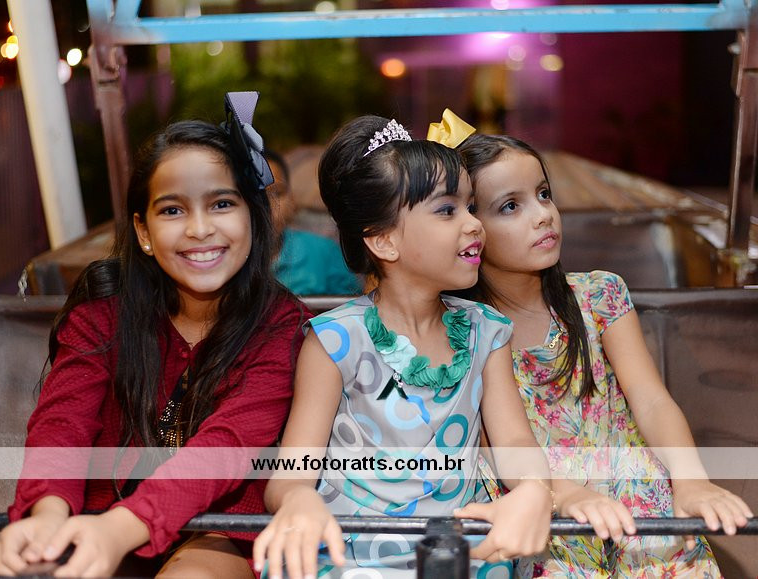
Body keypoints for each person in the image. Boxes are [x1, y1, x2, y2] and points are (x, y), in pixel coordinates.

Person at [0, 92, 310, 578]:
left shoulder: (281, 326)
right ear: (143, 231)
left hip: (217, 528)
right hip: (101, 518)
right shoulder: (104, 310)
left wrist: (117, 531)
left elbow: (226, 447)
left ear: (253, 214)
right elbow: (63, 423)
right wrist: (48, 516)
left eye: (222, 204)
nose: (200, 229)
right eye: (172, 211)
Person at [252, 114, 556, 579]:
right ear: (384, 240)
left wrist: (534, 487)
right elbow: (291, 473)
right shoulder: (335, 341)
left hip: (455, 552)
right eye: (447, 210)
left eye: (471, 207)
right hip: (351, 554)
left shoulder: (486, 332)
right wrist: (297, 499)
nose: (474, 224)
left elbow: (514, 440)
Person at [457, 132, 754, 576]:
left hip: (636, 493)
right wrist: (566, 495)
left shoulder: (599, 295)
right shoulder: (469, 329)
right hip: (542, 504)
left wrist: (691, 481)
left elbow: (650, 399)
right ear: (471, 230)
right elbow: (498, 446)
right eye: (511, 206)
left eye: (544, 194)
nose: (543, 215)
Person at [264, 149, 363, 296]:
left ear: (292, 199)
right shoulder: (230, 258)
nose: (268, 206)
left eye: (277, 193)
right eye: (256, 195)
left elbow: (352, 304)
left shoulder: (323, 252)